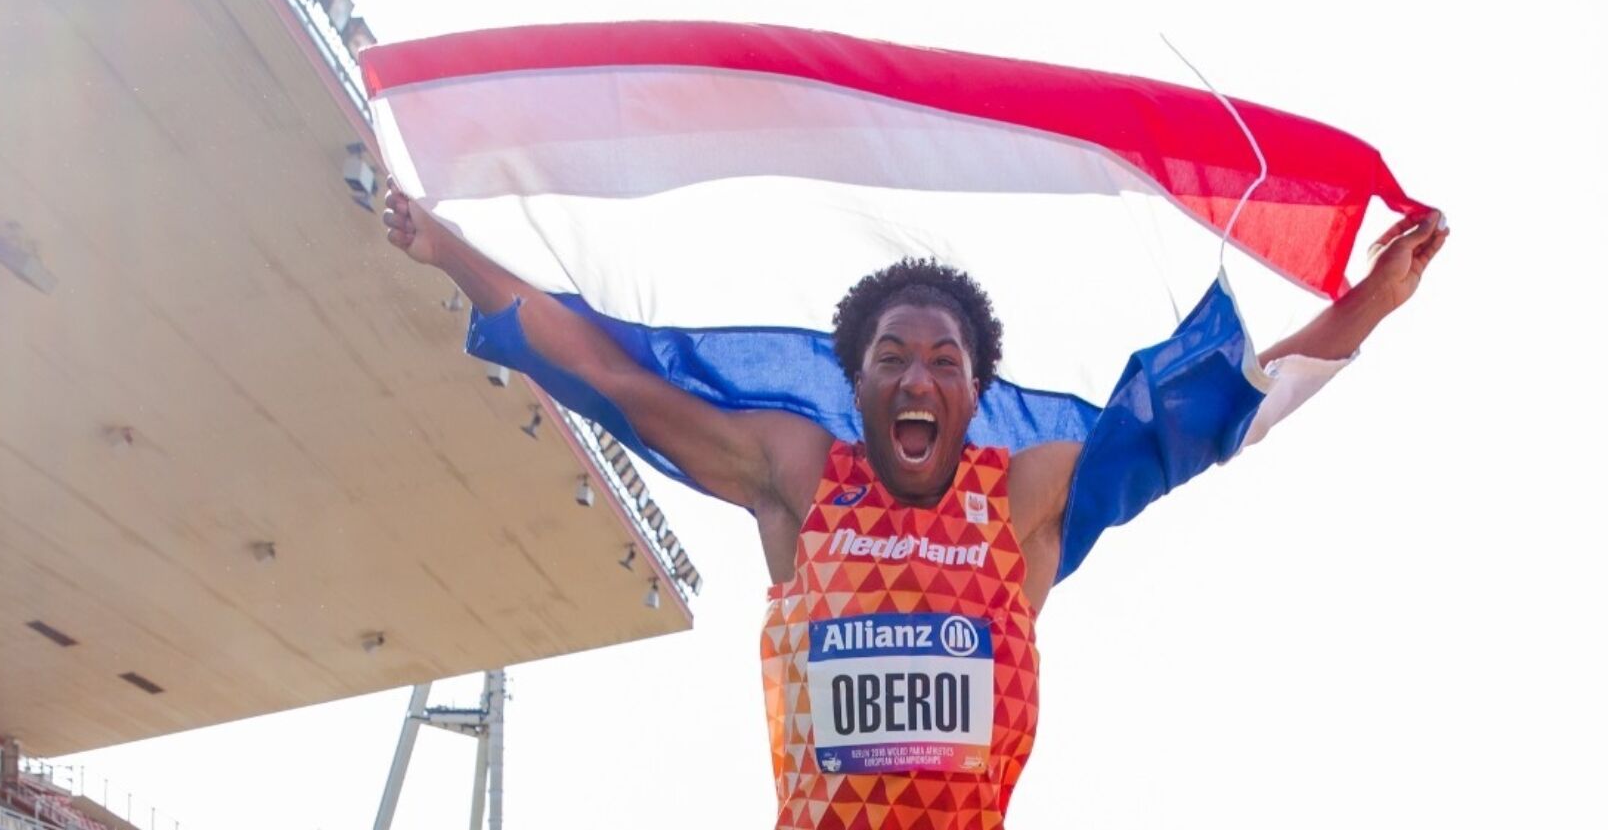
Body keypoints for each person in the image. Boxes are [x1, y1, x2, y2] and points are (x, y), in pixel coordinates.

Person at [383, 187, 1446, 828]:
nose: (919, 378)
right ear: (858, 385)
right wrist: (450, 253)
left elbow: (1203, 418)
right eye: (891, 358)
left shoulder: (1026, 500)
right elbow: (619, 380)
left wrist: (1369, 305)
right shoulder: (798, 475)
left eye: (946, 361)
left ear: (977, 394)